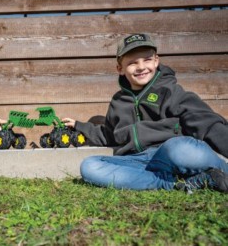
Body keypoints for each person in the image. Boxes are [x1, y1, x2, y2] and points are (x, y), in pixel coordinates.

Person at [62, 33, 228, 194]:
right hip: (140, 161)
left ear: (156, 61)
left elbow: (205, 122)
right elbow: (109, 135)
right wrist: (79, 126)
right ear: (120, 68)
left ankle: (223, 171)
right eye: (133, 63)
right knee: (90, 166)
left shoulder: (170, 92)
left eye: (147, 60)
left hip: (170, 153)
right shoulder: (118, 102)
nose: (141, 67)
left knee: (179, 148)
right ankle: (172, 183)